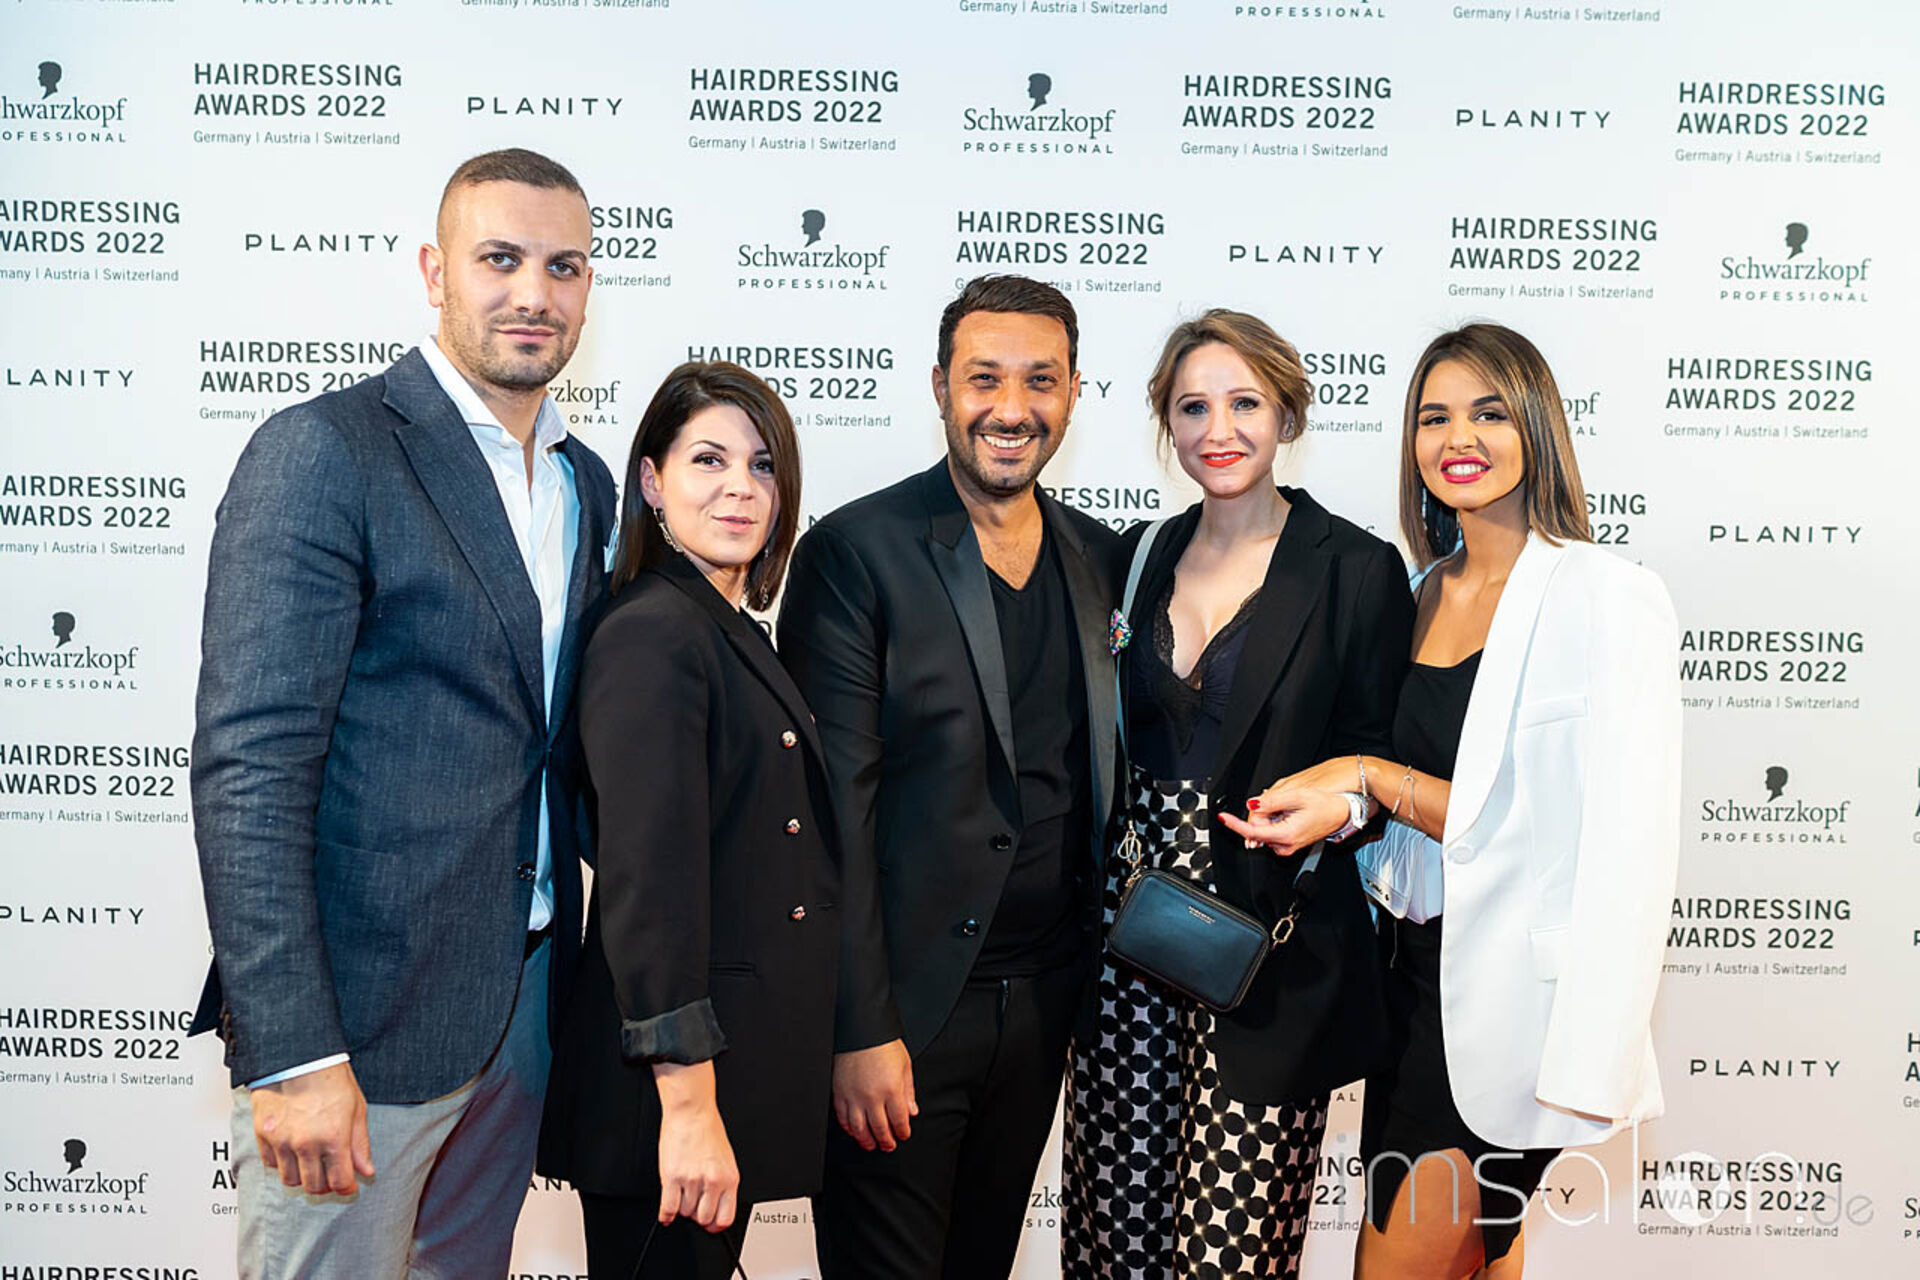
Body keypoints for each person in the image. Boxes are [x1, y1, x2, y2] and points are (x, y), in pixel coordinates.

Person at [188, 148, 617, 1277]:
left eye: (563, 266)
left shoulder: (585, 481)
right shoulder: (326, 450)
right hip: (356, 1024)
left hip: (521, 1004)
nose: (533, 293)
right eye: (500, 259)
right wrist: (293, 1051)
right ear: (435, 271)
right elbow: (251, 768)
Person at [1226, 323, 1681, 1278]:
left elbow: (1604, 832)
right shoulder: (1422, 590)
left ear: (1537, 428)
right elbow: (1407, 799)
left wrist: (1367, 777)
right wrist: (1344, 807)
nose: (1457, 438)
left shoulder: (1604, 595)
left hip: (1518, 1010)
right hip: (1408, 986)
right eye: (1433, 417)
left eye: (1488, 412)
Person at [778, 274, 1120, 1279]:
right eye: (984, 378)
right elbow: (832, 814)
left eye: (1040, 380)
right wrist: (860, 1028)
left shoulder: (1101, 557)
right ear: (939, 387)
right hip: (908, 1015)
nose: (1011, 408)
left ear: (1073, 393)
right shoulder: (856, 553)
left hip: (1049, 1003)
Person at [1062, 309, 1413, 1279]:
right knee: (1113, 1244)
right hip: (1128, 952)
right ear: (1166, 425)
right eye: (1193, 407)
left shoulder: (1354, 570)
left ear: (1288, 416)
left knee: (1234, 1254)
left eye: (1245, 403)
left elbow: (1380, 762)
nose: (1218, 429)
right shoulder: (1134, 557)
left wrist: (1341, 810)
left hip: (1267, 955)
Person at [538, 361, 838, 1279]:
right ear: (652, 481)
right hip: (667, 1095)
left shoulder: (720, 624)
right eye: (709, 459)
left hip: (726, 1069)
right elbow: (649, 885)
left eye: (762, 465)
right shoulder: (654, 630)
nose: (740, 487)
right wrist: (690, 1104)